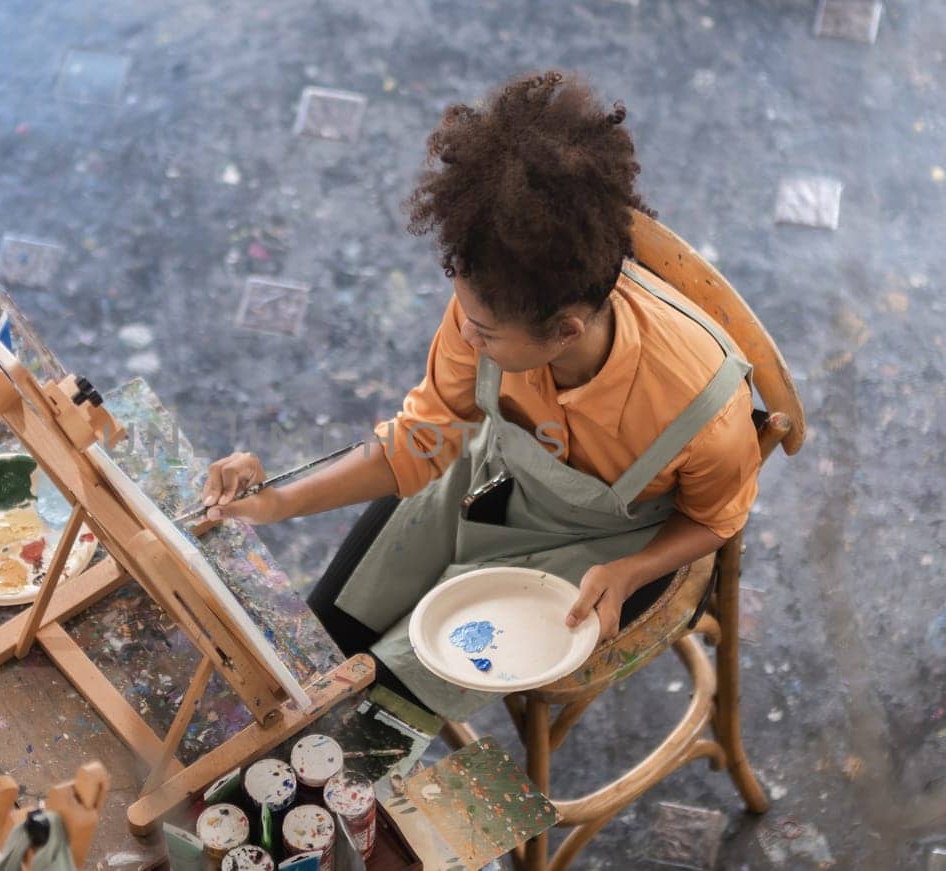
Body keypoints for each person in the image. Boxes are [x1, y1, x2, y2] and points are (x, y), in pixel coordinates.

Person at [199, 71, 761, 719]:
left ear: (565, 331)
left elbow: (717, 519)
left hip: (592, 553)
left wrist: (634, 571)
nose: (464, 331)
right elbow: (419, 442)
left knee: (375, 715)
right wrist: (276, 503)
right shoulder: (491, 296)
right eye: (463, 310)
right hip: (483, 478)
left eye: (485, 332)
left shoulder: (701, 409)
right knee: (312, 656)